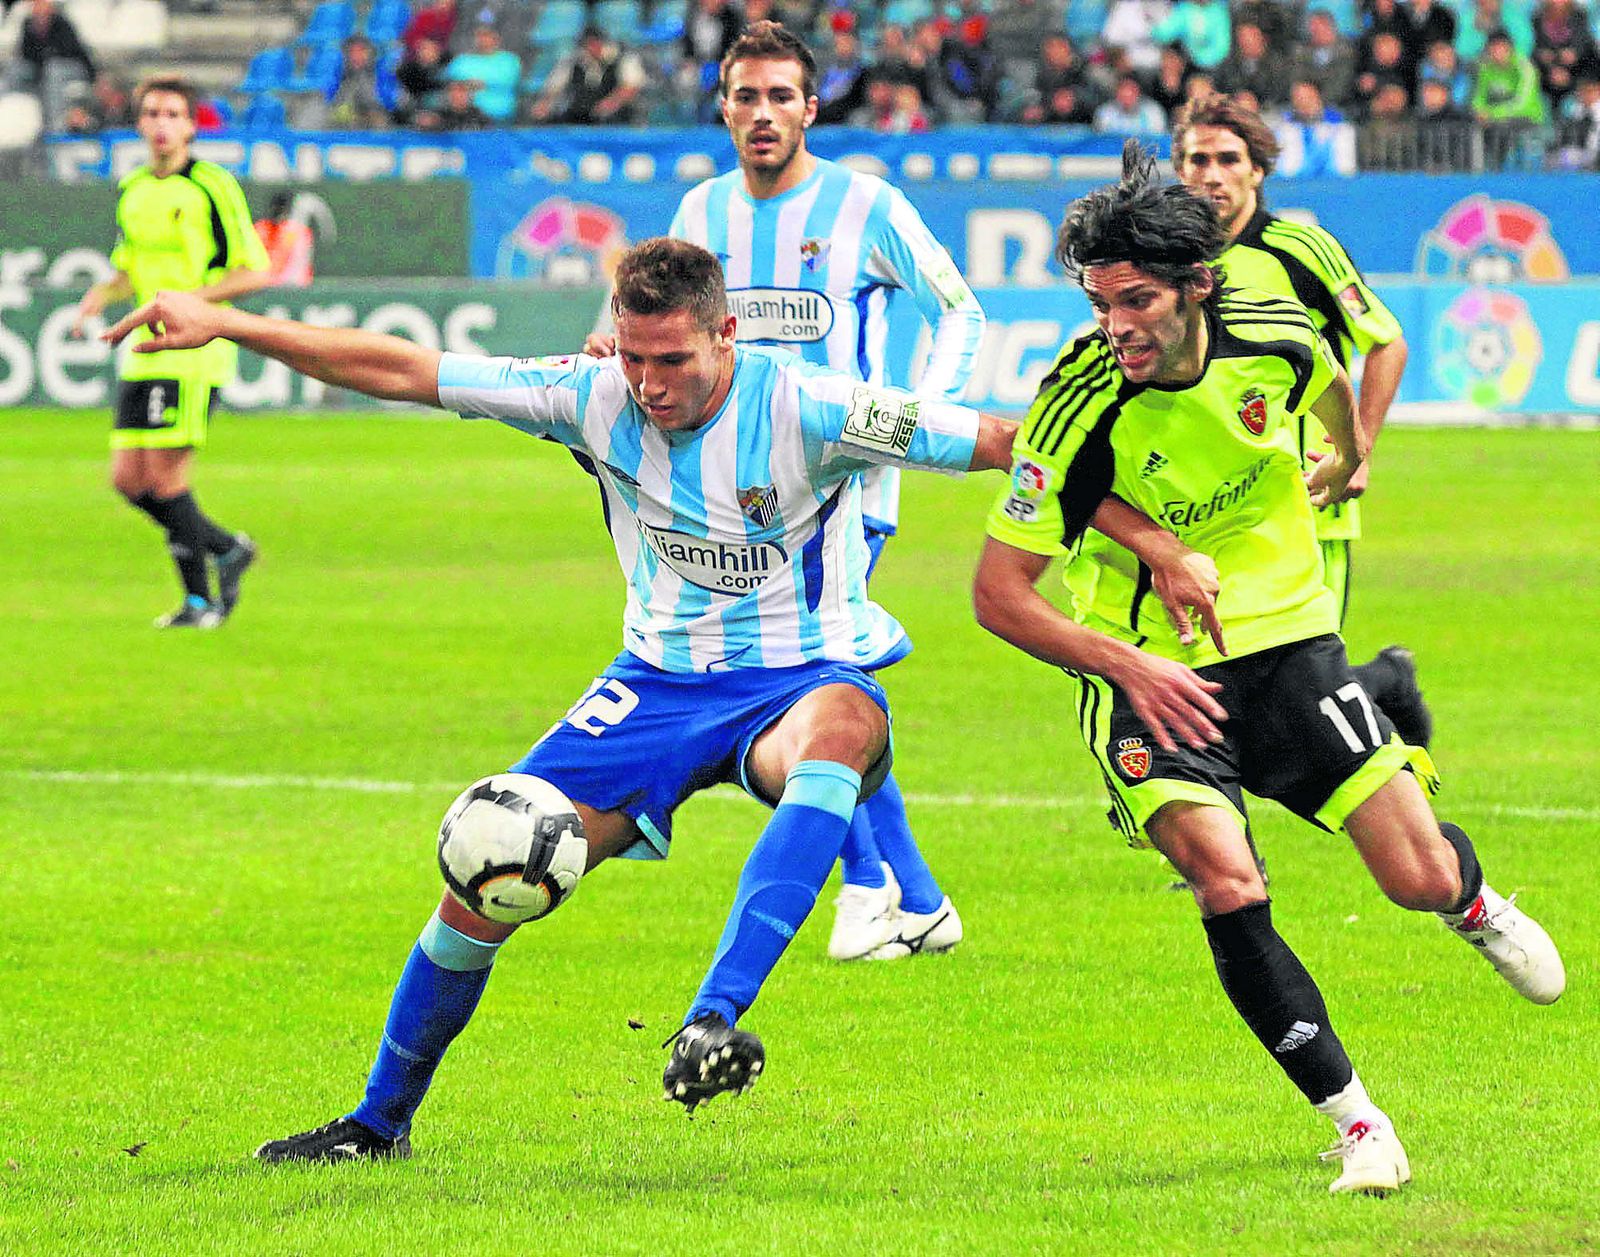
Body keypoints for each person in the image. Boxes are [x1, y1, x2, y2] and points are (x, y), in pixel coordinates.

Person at [104, 237, 1019, 1160]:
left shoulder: (817, 406)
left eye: (673, 359)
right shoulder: (589, 395)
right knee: (488, 869)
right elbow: (403, 369)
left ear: (727, 334)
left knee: (844, 730)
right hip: (653, 685)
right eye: (635, 358)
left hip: (800, 675)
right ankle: (378, 1124)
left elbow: (1002, 444)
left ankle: (711, 1019)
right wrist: (226, 323)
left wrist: (1110, 532)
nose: (650, 384)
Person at [971, 142, 1565, 1196]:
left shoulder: (1274, 336)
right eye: (1100, 304)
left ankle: (1471, 903)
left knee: (1415, 877)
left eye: (1137, 301)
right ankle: (1357, 1124)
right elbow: (998, 593)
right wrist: (1128, 662)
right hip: (1153, 671)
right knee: (1226, 880)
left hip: (1288, 636)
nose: (1116, 326)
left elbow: (1331, 385)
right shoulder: (1077, 397)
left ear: (1197, 286)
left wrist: (1348, 453)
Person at [590, 21, 988, 963]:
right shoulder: (700, 210)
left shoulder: (866, 205)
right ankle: (910, 895)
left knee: (800, 675)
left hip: (840, 486)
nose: (763, 113)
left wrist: (920, 417)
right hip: (723, 495)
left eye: (781, 96)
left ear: (811, 107)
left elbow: (958, 310)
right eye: (746, 96)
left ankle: (872, 887)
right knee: (805, 685)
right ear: (722, 106)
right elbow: (647, 318)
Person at [1171, 94, 1430, 747]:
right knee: (1227, 679)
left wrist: (1357, 450)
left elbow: (1386, 342)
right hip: (1215, 502)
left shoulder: (1300, 249)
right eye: (1198, 160)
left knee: (1306, 687)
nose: (1212, 174)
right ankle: (1385, 680)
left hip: (1309, 493)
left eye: (1228, 159)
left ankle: (1385, 682)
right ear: (1179, 170)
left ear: (1257, 170)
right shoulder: (1169, 259)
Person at [72, 76, 271, 629]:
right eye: (153, 113)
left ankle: (199, 602)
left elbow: (254, 270)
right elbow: (127, 269)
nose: (162, 124)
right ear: (139, 123)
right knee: (126, 480)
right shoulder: (134, 188)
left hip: (193, 350)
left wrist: (190, 303)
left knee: (164, 478)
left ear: (191, 126)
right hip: (144, 349)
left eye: (173, 115)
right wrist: (99, 296)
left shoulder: (211, 186)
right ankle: (228, 549)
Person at [254, 191, 316, 288]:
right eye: (277, 208)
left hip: (294, 287)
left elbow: (301, 268)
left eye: (282, 209)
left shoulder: (299, 232)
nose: (279, 213)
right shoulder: (261, 229)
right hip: (267, 286)